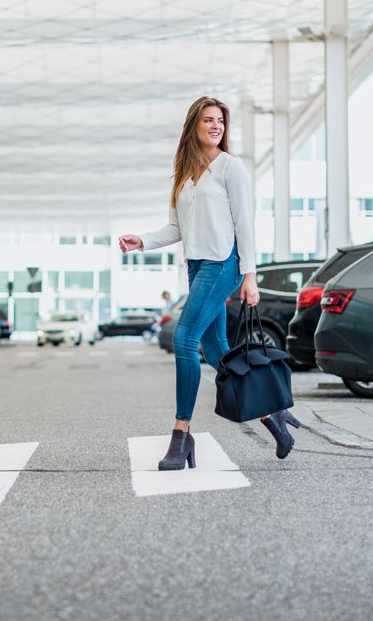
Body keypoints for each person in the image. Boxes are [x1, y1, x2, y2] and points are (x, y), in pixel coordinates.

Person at [118, 96, 300, 469]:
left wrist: (249, 274)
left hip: (223, 264)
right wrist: (144, 241)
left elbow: (244, 223)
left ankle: (181, 436)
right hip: (197, 266)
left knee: (184, 340)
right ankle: (273, 418)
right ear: (193, 127)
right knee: (218, 354)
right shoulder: (184, 172)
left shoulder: (231, 168)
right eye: (208, 121)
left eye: (220, 121)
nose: (216, 126)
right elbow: (176, 227)